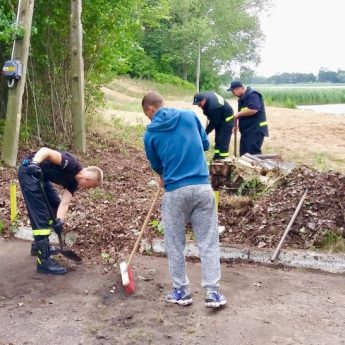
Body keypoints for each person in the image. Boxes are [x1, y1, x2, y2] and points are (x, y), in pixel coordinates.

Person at [142, 91, 227, 308]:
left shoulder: (150, 134)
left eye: (147, 114)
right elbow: (205, 145)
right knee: (208, 241)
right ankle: (212, 293)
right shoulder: (190, 117)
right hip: (201, 188)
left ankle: (181, 292)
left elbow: (157, 165)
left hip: (175, 192)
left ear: (151, 109)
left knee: (175, 243)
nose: (149, 119)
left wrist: (164, 175)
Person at [18, 147, 103, 275]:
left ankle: (38, 246)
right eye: (91, 187)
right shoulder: (71, 164)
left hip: (42, 177)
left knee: (54, 206)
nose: (88, 189)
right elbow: (45, 151)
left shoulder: (73, 184)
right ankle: (44, 262)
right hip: (29, 171)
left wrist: (60, 220)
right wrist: (35, 163)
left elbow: (64, 203)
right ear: (88, 180)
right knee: (41, 214)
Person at [228, 80, 268, 156]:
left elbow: (253, 109)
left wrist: (237, 114)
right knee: (244, 154)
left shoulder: (253, 95)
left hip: (255, 130)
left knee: (252, 154)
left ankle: (255, 168)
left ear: (239, 89)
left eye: (233, 92)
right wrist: (236, 126)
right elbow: (242, 114)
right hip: (247, 131)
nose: (233, 94)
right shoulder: (242, 98)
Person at [193, 91, 234, 160]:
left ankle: (223, 160)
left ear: (204, 100)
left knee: (222, 140)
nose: (199, 106)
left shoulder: (213, 107)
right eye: (197, 105)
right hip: (219, 116)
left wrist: (205, 133)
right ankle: (217, 157)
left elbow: (213, 123)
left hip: (227, 119)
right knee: (217, 139)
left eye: (200, 104)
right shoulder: (205, 96)